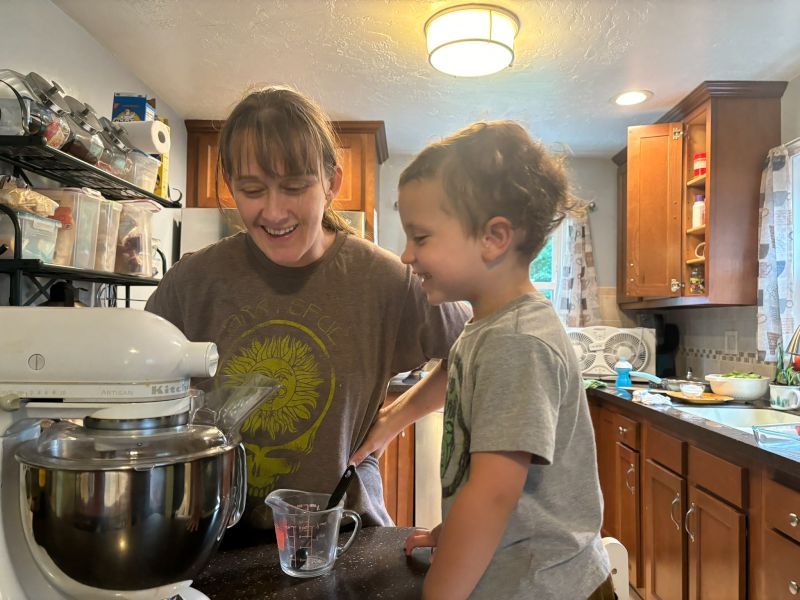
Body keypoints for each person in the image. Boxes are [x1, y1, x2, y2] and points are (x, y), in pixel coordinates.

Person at [145, 85, 470, 533]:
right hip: (209, 535)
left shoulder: (386, 279)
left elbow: (474, 350)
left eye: (295, 187)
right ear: (230, 186)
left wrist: (396, 417)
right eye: (252, 189)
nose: (274, 211)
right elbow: (133, 381)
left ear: (332, 183)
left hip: (345, 534)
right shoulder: (192, 282)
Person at [397, 121, 613, 600]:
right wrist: (451, 534)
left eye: (421, 237)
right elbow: (455, 379)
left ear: (494, 238)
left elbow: (493, 495)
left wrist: (440, 593)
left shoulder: (516, 341)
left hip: (545, 587)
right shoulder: (488, 325)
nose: (407, 254)